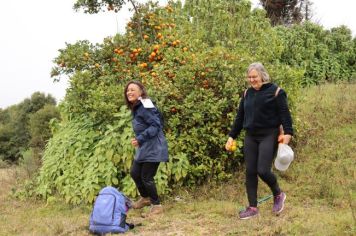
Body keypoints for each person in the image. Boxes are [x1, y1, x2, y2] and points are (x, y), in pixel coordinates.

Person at [225, 62, 294, 220]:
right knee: (250, 171)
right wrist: (231, 136)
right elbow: (239, 118)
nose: (252, 80)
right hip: (251, 135)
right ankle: (252, 207)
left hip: (269, 134)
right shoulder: (247, 94)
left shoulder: (276, 92)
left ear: (262, 75)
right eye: (249, 77)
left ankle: (278, 194)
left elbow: (286, 118)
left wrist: (287, 136)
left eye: (254, 76)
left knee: (263, 170)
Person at [124, 80, 169, 216]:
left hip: (154, 146)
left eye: (133, 89)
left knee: (146, 177)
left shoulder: (145, 105)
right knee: (135, 172)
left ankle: (157, 205)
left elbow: (156, 125)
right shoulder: (139, 107)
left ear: (141, 92)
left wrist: (140, 138)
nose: (129, 92)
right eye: (128, 90)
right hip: (145, 146)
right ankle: (145, 198)